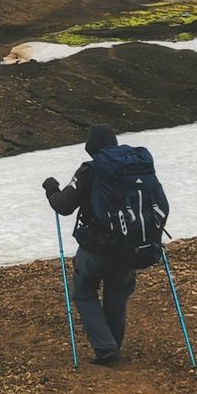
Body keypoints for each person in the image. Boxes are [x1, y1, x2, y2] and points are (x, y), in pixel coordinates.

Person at [44, 124, 137, 366]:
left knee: (84, 292)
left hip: (96, 247)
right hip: (129, 246)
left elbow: (63, 205)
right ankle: (112, 345)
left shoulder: (89, 171)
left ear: (91, 147)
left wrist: (51, 189)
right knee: (117, 292)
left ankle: (106, 349)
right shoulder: (133, 167)